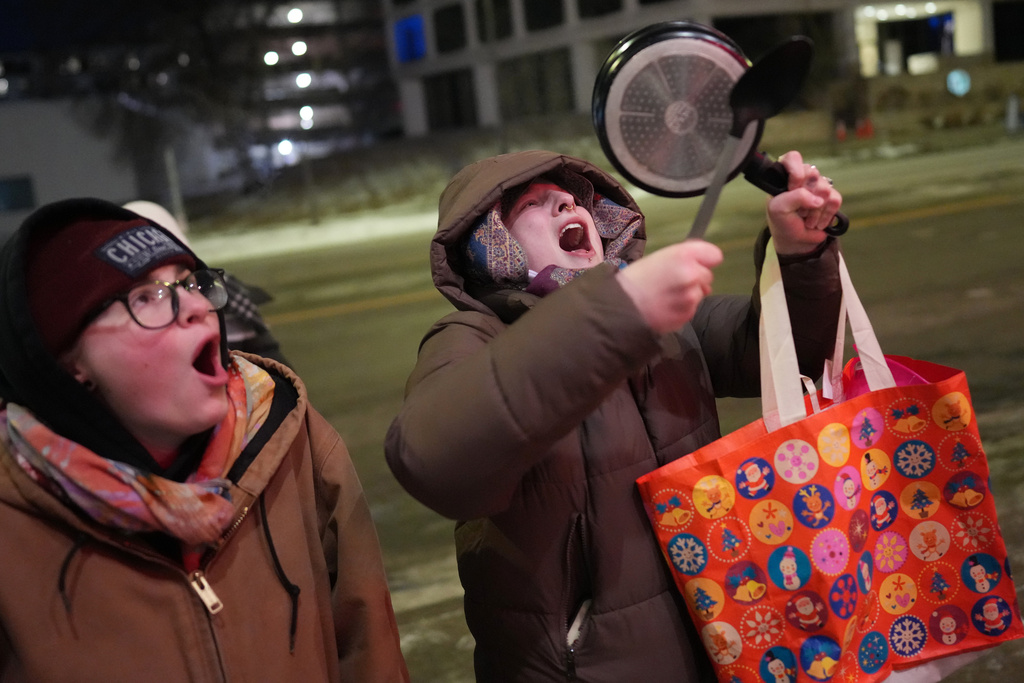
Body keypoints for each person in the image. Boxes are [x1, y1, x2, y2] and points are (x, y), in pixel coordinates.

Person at [385, 149, 844, 681]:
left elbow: (785, 354)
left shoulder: (657, 313)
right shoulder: (474, 336)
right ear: (496, 244)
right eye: (533, 204)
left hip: (722, 637)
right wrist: (612, 316)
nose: (563, 202)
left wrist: (798, 256)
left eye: (570, 196)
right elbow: (433, 459)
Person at [0, 198, 409, 681]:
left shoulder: (288, 433)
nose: (195, 306)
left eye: (190, 283)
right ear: (67, 363)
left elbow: (368, 648)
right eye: (146, 297)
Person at [123, 200, 292, 367]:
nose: (196, 308)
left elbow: (270, 363)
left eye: (185, 281)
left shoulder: (224, 298)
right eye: (145, 297)